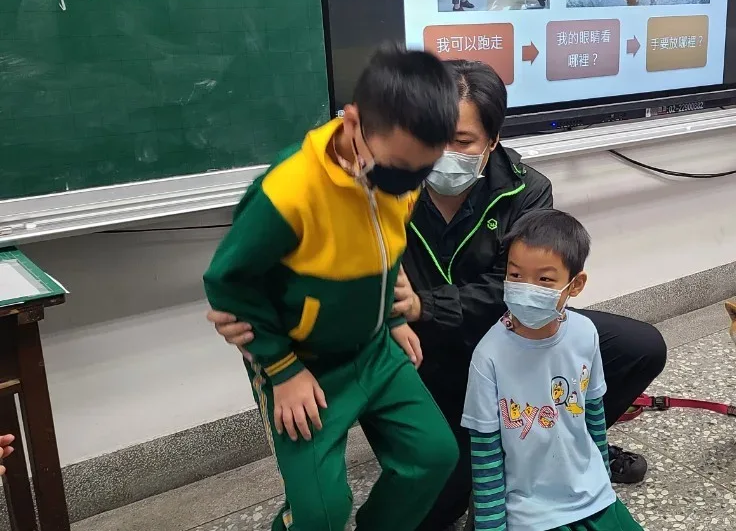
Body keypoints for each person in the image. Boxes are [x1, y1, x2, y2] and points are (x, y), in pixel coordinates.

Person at [209, 60, 667, 531]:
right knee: (426, 498)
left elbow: (507, 286)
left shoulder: (518, 189)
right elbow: (257, 276)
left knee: (636, 347)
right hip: (422, 352)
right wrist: (266, 327)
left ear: (491, 142)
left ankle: (555, 453)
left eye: (462, 141)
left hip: (497, 334)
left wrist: (425, 304)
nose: (441, 155)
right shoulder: (381, 174)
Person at [202, 45, 461, 531]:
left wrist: (394, 317)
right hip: (304, 365)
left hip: (375, 348)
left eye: (420, 171)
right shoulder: (288, 193)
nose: (405, 185)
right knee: (321, 513)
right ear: (352, 123)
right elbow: (227, 282)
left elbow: (386, 252)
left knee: (434, 456)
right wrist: (281, 368)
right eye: (394, 170)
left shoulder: (399, 178)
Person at [464, 209, 643, 531]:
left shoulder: (585, 332)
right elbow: (485, 451)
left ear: (575, 285)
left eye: (544, 279)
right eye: (516, 276)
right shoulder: (488, 356)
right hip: (531, 510)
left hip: (593, 494)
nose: (526, 288)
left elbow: (593, 414)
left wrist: (602, 476)